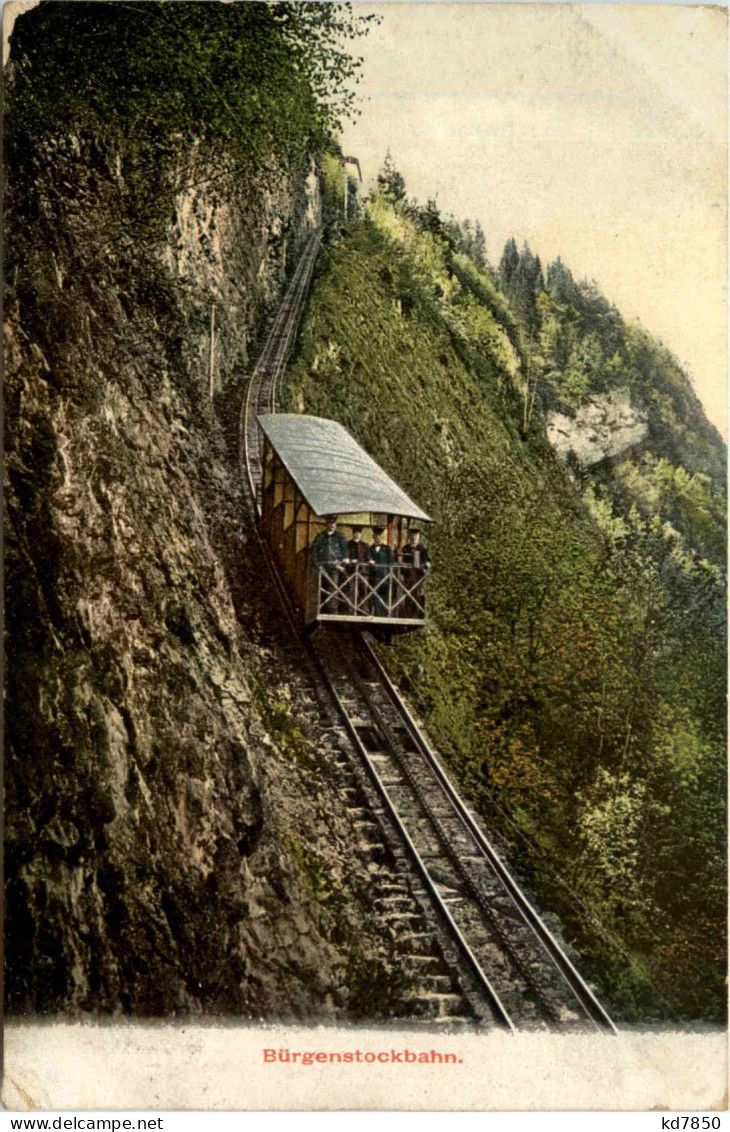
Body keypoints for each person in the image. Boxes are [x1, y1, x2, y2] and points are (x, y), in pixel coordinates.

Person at [311, 515, 349, 614]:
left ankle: (333, 611)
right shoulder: (320, 536)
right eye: (330, 523)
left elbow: (345, 552)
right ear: (326, 524)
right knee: (321, 588)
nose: (332, 526)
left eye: (334, 524)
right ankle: (320, 611)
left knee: (333, 589)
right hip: (322, 568)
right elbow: (314, 552)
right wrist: (317, 565)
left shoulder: (340, 537)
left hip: (334, 568)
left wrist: (343, 562)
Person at [398, 527, 431, 618]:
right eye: (412, 536)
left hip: (417, 577)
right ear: (410, 537)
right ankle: (407, 614)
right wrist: (401, 571)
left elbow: (427, 561)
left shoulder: (422, 549)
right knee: (408, 595)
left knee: (417, 595)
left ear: (418, 537)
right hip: (407, 576)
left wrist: (426, 565)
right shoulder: (406, 548)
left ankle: (416, 614)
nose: (414, 538)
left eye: (415, 536)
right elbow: (401, 561)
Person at [368, 526, 395, 618]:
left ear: (381, 537)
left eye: (379, 536)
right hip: (374, 577)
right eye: (375, 536)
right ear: (373, 537)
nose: (377, 538)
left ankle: (385, 615)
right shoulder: (370, 549)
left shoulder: (387, 549)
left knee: (385, 597)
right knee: (375, 597)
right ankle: (376, 614)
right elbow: (367, 559)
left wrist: (389, 574)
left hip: (385, 577)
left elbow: (391, 563)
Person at [346, 525, 370, 615]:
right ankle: (351, 611)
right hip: (351, 572)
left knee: (364, 591)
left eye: (358, 533)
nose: (357, 535)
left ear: (361, 534)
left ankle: (363, 611)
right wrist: (350, 561)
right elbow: (346, 557)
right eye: (355, 533)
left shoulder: (365, 545)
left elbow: (368, 558)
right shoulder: (348, 544)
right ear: (353, 534)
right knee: (352, 591)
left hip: (363, 573)